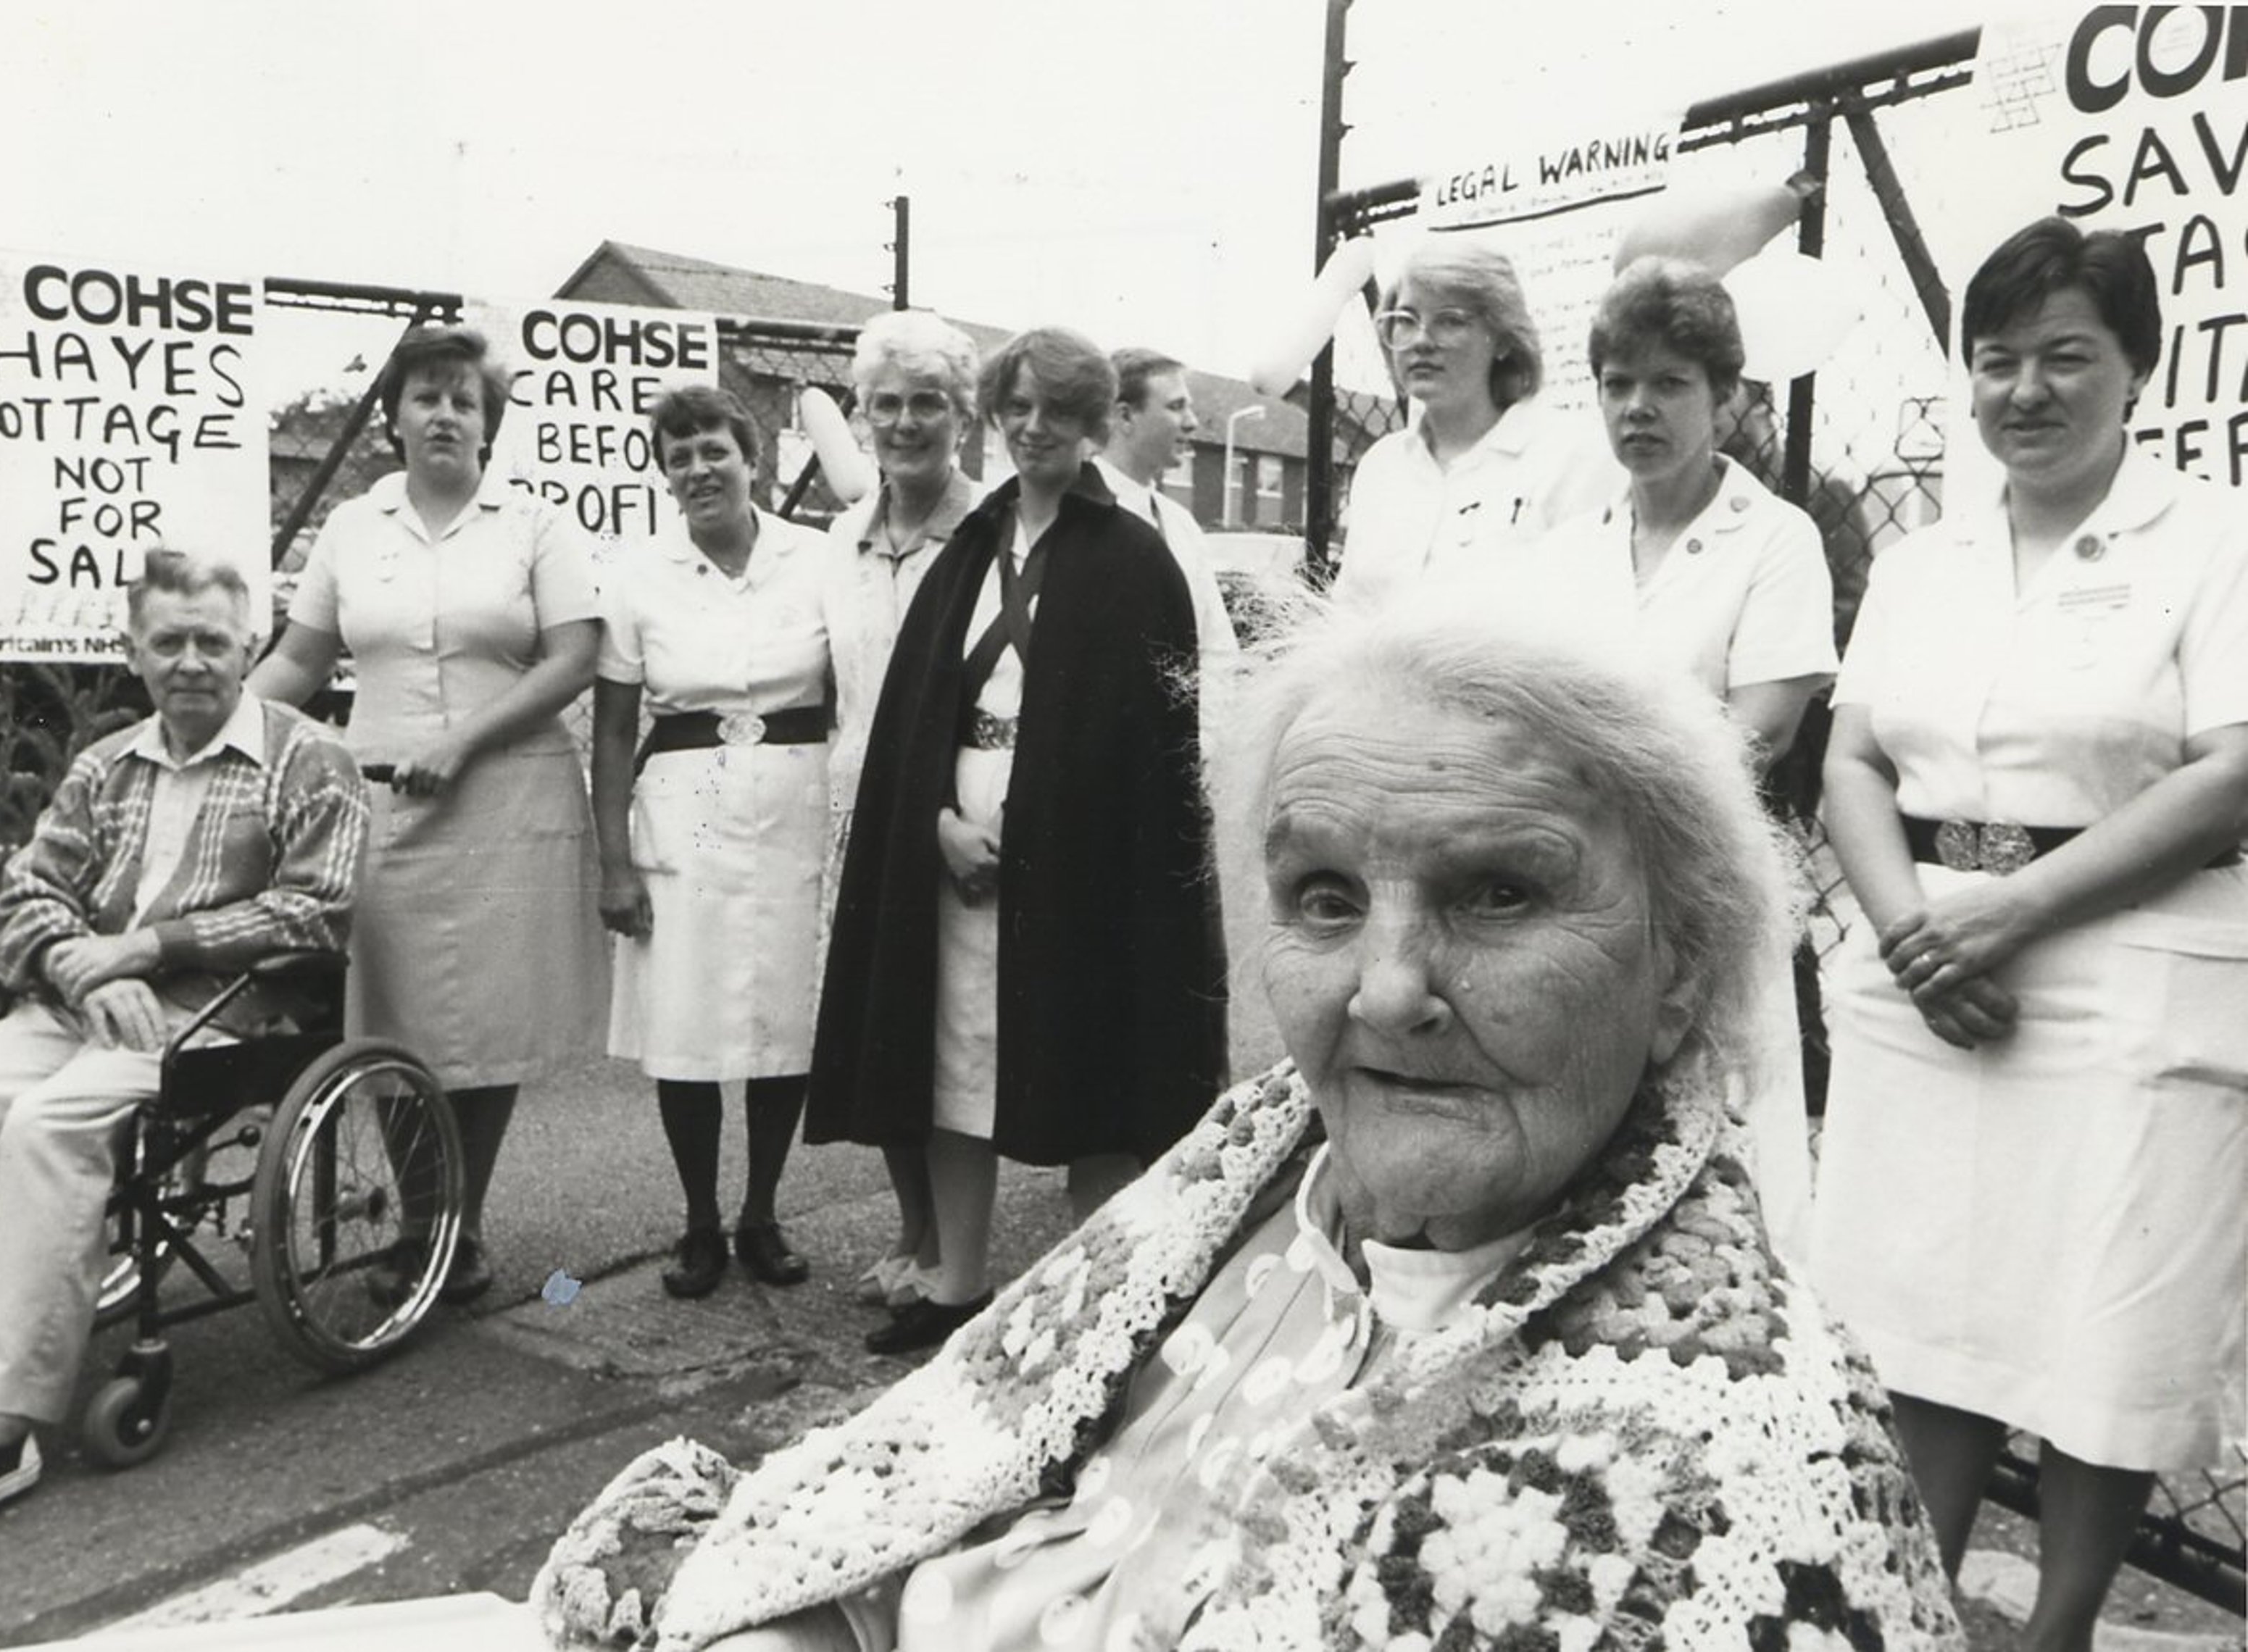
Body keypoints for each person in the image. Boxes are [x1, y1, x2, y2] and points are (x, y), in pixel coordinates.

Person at [534, 607, 1961, 1652]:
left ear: (1684, 976)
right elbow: (936, 1482)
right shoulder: (1253, 1163)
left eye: (1499, 897)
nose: (1386, 992)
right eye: (1326, 898)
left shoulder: (1770, 1470)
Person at [1811, 217, 2248, 1650]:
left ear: (2137, 368)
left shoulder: (2213, 538)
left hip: (2122, 965)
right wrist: (1906, 930)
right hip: (1924, 967)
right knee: (1919, 1313)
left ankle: (2055, 1632)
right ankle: (1909, 1610)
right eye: (1996, 361)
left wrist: (2010, 914)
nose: (2025, 391)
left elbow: (2231, 768)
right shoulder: (1929, 558)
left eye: (2066, 356)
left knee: (2099, 1328)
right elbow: (1851, 761)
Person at [0, 551, 367, 1542]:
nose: (191, 661)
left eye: (212, 640)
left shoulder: (309, 760)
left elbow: (320, 910)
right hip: (86, 1000)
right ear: (135, 653)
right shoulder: (106, 764)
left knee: (50, 1125)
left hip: (222, 1011)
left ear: (250, 644)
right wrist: (89, 963)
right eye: (167, 641)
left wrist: (153, 946)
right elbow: (27, 892)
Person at [807, 327, 1228, 1356]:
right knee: (954, 1061)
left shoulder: (1133, 556)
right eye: (1018, 410)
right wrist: (937, 824)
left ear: (1093, 424)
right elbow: (915, 716)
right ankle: (957, 1281)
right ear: (995, 419)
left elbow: (1147, 742)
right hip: (958, 841)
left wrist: (1039, 834)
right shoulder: (970, 547)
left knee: (1093, 1074)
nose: (1034, 429)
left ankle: (1102, 1295)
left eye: (1057, 411)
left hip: (1083, 864)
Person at [249, 323, 606, 1304]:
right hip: (384, 801)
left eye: (464, 399)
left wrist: (463, 741)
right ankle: (425, 1218)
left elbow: (574, 655)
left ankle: (452, 1230)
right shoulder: (354, 528)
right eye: (426, 397)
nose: (445, 413)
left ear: (489, 423)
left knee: (482, 1024)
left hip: (507, 800)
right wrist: (226, 724)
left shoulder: (533, 524)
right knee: (399, 1014)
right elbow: (301, 659)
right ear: (395, 419)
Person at [1546, 256, 1837, 1264]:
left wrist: (1588, 777)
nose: (1639, 406)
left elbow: (1762, 732)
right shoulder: (1566, 548)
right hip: (1573, 894)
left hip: (1702, 890)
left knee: (1728, 1176)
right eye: (1618, 383)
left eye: (1670, 383)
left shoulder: (1777, 540)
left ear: (1727, 401)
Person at [594, 386, 832, 1299]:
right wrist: (613, 863)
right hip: (682, 813)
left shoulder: (816, 560)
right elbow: (613, 729)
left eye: (715, 451)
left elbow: (844, 695)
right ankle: (698, 1222)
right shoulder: (635, 574)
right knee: (686, 1027)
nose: (698, 469)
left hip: (794, 806)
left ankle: (761, 1213)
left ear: (752, 460)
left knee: (783, 1022)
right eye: (679, 455)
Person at [820, 312, 983, 1312]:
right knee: (880, 1026)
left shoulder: (994, 530)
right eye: (887, 403)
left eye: (930, 402)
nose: (907, 421)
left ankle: (953, 1258)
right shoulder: (840, 541)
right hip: (857, 809)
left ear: (965, 416)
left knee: (953, 1036)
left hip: (953, 812)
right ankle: (914, 1234)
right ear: (861, 414)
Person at [1330, 235, 1620, 606]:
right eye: (1405, 319)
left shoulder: (1574, 455)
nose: (1422, 340)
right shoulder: (1381, 467)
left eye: (1450, 321)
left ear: (1502, 340)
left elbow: (1593, 619)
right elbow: (1350, 617)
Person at [1091, 347, 1240, 663]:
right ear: (1125, 416)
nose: (1193, 423)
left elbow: (1217, 648)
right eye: (1176, 407)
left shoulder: (1181, 524)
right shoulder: (1075, 514)